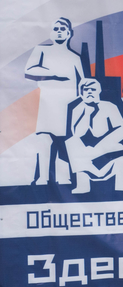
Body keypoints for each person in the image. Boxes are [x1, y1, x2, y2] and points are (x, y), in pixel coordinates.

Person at [25, 17, 84, 185]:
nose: (59, 31)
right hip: (48, 104)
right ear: (51, 33)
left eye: (62, 29)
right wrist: (55, 74)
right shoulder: (41, 50)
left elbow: (84, 83)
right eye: (56, 28)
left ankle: (62, 177)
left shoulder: (75, 58)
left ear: (69, 33)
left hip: (70, 107)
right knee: (44, 139)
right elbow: (29, 70)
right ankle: (43, 177)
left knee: (65, 142)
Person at [65, 79, 123, 193]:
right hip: (85, 150)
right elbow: (76, 133)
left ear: (99, 91)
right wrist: (87, 113)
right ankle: (82, 185)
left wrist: (103, 144)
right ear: (81, 92)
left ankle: (121, 183)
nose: (89, 92)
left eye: (92, 89)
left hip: (107, 147)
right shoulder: (77, 109)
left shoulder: (109, 107)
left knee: (120, 148)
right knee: (71, 142)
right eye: (86, 90)